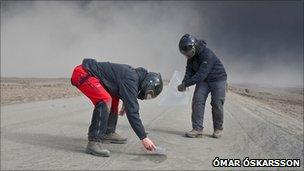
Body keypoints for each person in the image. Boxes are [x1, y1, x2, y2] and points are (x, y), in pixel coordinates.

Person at [71, 58, 163, 157]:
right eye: (149, 94)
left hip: (90, 74)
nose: (146, 97)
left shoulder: (134, 77)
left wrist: (125, 103)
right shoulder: (131, 79)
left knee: (114, 99)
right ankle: (93, 142)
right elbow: (132, 112)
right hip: (83, 73)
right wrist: (144, 138)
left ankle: (108, 132)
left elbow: (123, 89)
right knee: (104, 100)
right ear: (147, 84)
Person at [177, 34, 227, 138]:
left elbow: (201, 74)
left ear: (194, 46)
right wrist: (184, 82)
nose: (187, 55)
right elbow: (189, 72)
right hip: (204, 81)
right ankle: (197, 129)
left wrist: (186, 84)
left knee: (216, 103)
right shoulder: (190, 57)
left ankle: (218, 129)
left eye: (189, 53)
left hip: (218, 79)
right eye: (185, 54)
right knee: (197, 102)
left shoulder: (207, 54)